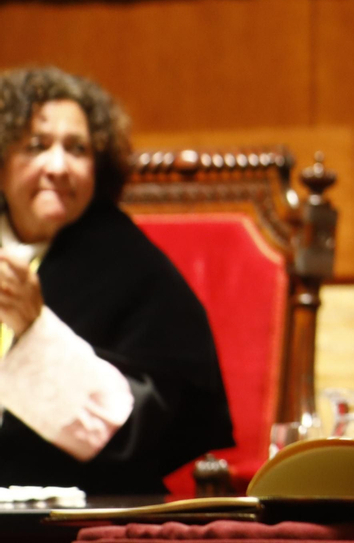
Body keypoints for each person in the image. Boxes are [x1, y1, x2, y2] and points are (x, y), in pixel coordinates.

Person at [0, 66, 233, 493]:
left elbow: (146, 429)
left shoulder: (134, 266)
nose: (58, 166)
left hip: (82, 508)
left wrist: (35, 331)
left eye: (77, 149)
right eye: (36, 146)